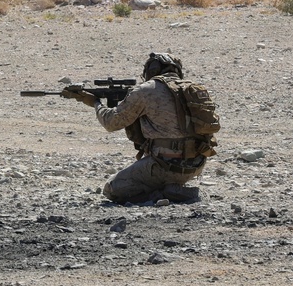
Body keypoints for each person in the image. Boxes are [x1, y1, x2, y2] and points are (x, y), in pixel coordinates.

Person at [70, 53, 210, 204]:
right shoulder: (194, 89)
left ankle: (163, 193)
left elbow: (111, 123)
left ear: (151, 70)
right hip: (196, 165)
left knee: (112, 189)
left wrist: (95, 103)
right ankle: (173, 188)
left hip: (165, 166)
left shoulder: (146, 90)